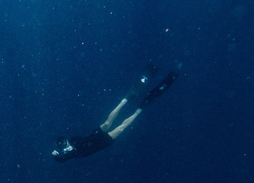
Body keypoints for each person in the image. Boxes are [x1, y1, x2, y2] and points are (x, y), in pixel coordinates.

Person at [51, 63, 179, 163]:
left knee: (108, 121)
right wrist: (58, 156)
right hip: (103, 143)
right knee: (122, 127)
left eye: (63, 141)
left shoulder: (72, 141)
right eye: (62, 144)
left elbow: (79, 139)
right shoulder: (69, 155)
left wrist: (72, 146)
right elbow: (62, 160)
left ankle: (124, 100)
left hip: (95, 136)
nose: (64, 143)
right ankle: (139, 109)